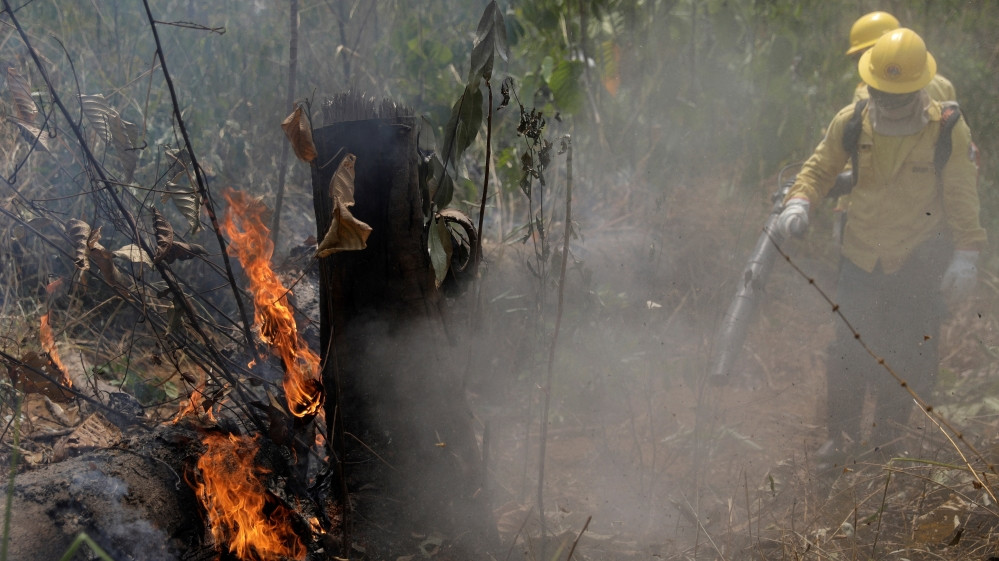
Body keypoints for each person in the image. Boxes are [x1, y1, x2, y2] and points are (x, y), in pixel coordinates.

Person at [775, 28, 986, 468]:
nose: (885, 102)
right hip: (860, 256)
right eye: (879, 92)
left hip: (917, 258)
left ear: (917, 88)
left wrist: (968, 253)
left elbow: (962, 195)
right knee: (849, 349)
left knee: (907, 355)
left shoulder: (947, 128)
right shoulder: (851, 120)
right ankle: (842, 440)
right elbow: (819, 168)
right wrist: (800, 201)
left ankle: (886, 447)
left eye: (896, 94)